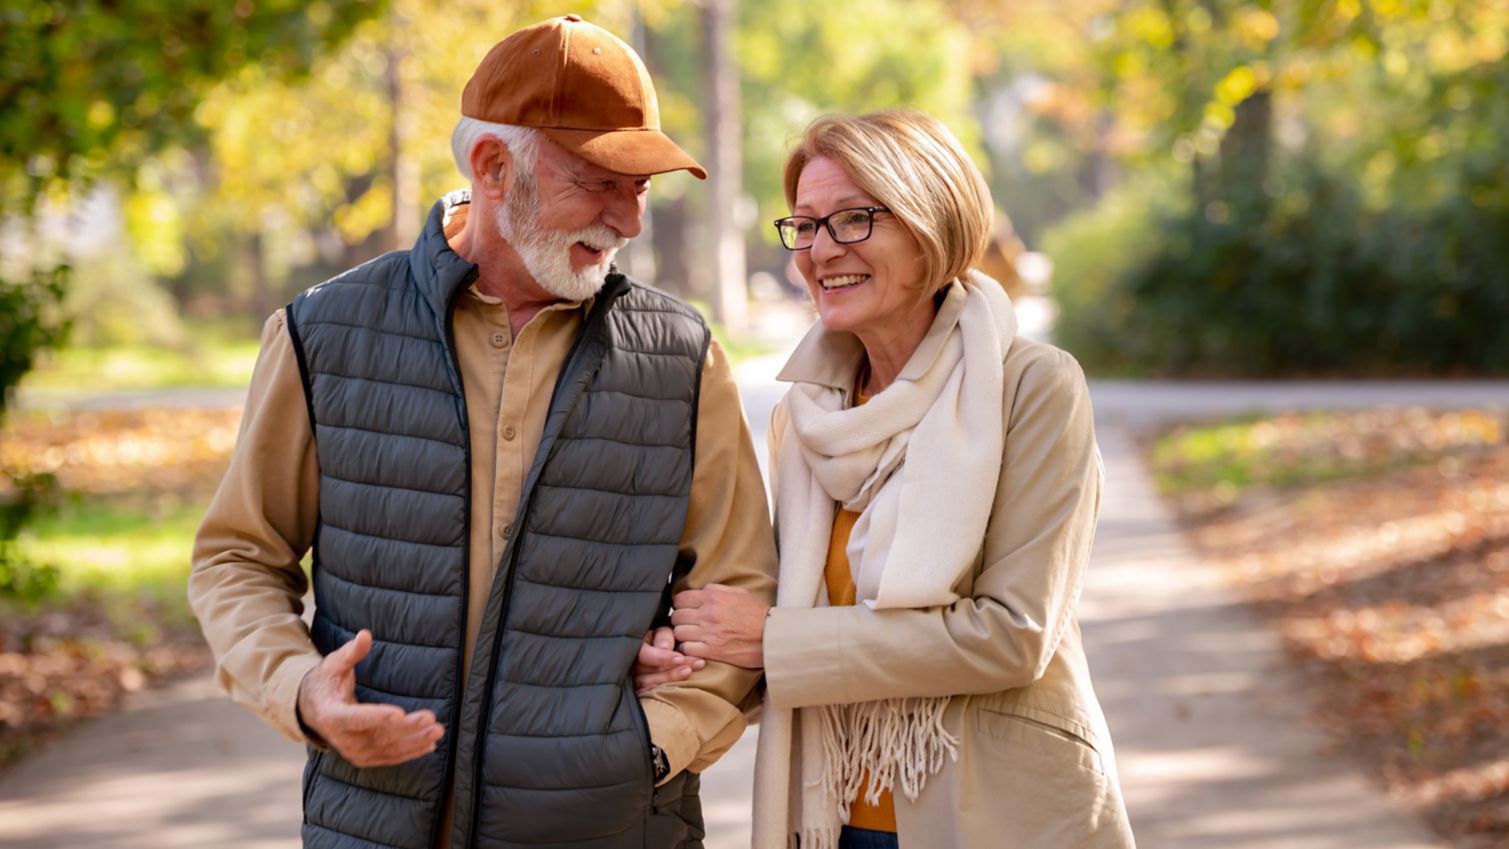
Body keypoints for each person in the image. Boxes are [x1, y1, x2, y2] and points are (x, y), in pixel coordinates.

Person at [188, 15, 777, 849]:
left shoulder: (683, 358)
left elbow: (739, 586)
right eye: (599, 180)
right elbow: (237, 556)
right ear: (493, 166)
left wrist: (649, 746)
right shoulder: (323, 333)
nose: (630, 220)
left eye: (640, 186)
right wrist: (298, 688)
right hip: (374, 827)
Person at [643, 111, 1137, 849]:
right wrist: (688, 653)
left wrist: (773, 639)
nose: (819, 250)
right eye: (805, 226)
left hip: (994, 815)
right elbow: (779, 620)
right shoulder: (806, 414)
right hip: (828, 814)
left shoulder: (1029, 388)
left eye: (852, 220)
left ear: (928, 227)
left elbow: (1011, 635)